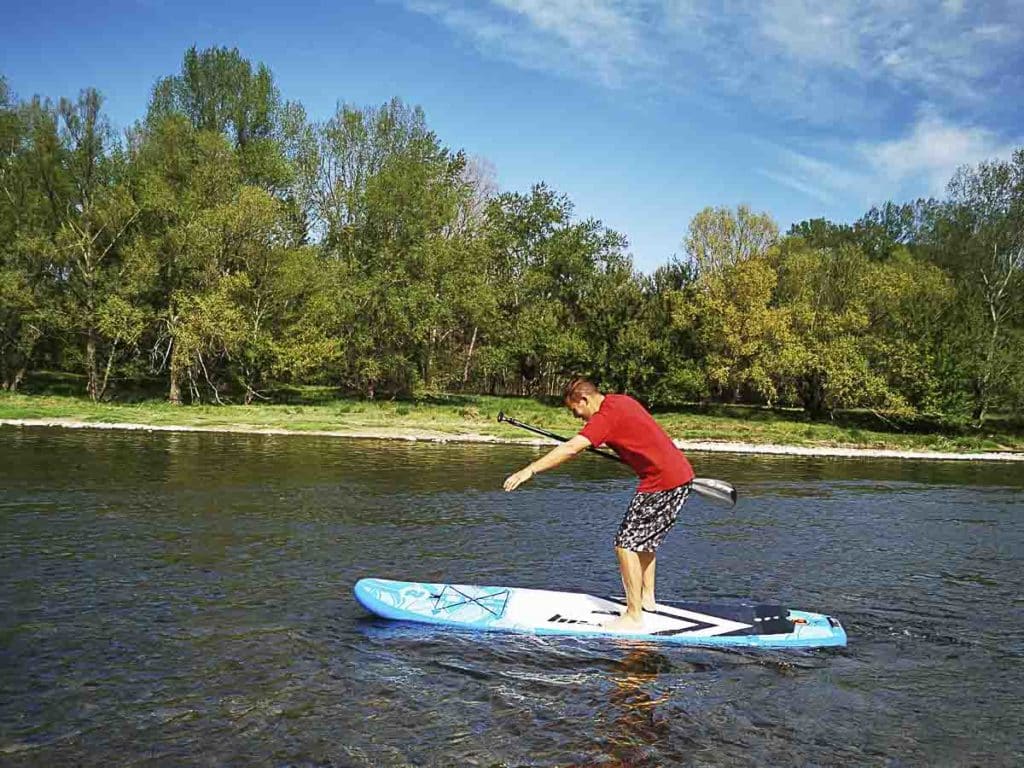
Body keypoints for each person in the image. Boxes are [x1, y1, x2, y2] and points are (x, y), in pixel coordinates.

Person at [503, 378, 694, 631]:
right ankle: (647, 600)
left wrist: (530, 470)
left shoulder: (604, 418)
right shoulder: (620, 401)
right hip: (678, 475)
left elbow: (572, 448)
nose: (577, 417)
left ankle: (633, 616)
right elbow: (640, 437)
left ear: (584, 400)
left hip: (662, 482)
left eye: (575, 411)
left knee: (626, 544)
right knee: (645, 541)